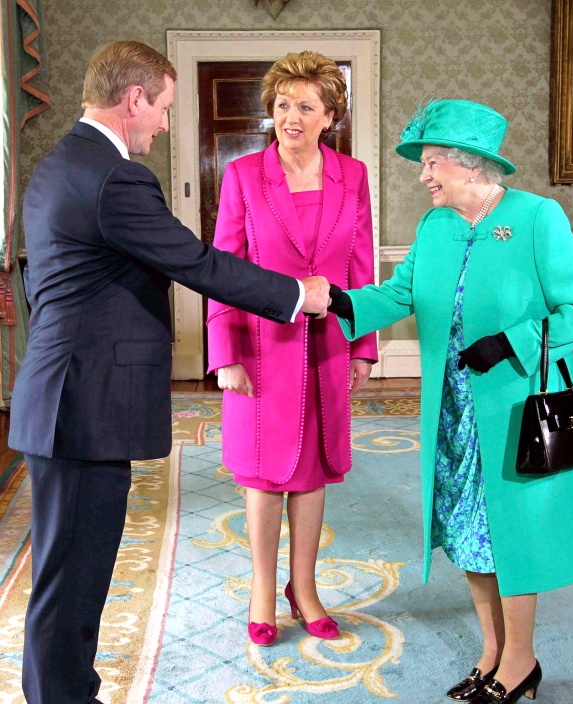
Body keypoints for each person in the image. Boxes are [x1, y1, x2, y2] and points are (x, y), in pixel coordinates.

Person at [8, 41, 330, 704]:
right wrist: (298, 294)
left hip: (64, 393)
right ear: (133, 101)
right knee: (72, 581)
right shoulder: (114, 176)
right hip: (83, 405)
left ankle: (70, 691)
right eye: (161, 109)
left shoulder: (58, 163)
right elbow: (196, 263)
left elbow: (46, 286)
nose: (161, 123)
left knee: (72, 576)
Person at [328, 99, 573, 704]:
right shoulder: (436, 227)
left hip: (522, 405)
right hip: (453, 409)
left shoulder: (536, 218)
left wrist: (510, 342)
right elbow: (401, 292)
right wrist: (342, 303)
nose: (424, 176)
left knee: (515, 532)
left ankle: (521, 659)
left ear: (469, 166)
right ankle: (492, 652)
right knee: (470, 530)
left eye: (431, 165)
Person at [207, 51, 377, 646]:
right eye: (283, 105)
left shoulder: (351, 176)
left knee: (311, 471)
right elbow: (221, 269)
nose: (292, 117)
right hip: (259, 347)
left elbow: (359, 268)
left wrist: (363, 347)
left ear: (330, 115)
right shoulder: (243, 177)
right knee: (261, 473)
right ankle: (261, 590)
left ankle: (303, 590)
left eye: (306, 106)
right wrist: (224, 351)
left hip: (328, 346)